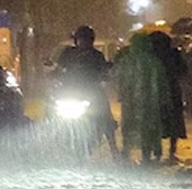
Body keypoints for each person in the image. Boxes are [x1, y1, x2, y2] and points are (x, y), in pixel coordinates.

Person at [54, 25, 118, 155]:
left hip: (92, 92)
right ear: (76, 40)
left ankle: (114, 149)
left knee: (105, 116)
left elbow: (104, 71)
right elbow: (58, 69)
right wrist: (53, 76)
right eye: (81, 39)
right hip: (69, 92)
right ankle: (57, 141)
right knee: (54, 112)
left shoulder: (97, 55)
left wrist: (106, 75)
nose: (83, 42)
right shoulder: (68, 53)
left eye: (87, 39)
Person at [116, 33, 166, 162]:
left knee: (129, 126)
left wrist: (121, 95)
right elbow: (162, 82)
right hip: (149, 102)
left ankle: (127, 152)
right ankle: (147, 154)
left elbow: (119, 79)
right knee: (148, 127)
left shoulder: (126, 61)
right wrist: (164, 99)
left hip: (131, 101)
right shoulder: (153, 61)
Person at [149, 31, 187, 161]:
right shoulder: (174, 54)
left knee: (156, 120)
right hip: (172, 91)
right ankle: (172, 150)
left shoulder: (151, 55)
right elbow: (183, 71)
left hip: (155, 91)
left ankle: (157, 151)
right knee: (174, 120)